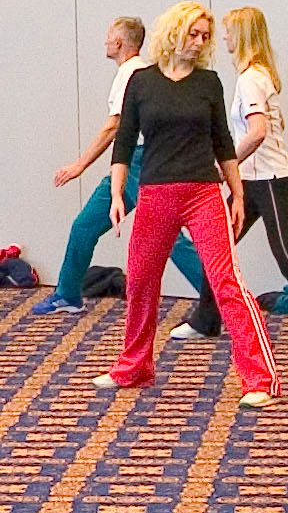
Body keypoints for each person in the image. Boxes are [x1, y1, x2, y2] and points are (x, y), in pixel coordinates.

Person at [97, 1, 280, 407]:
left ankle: (259, 378)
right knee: (141, 281)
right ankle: (134, 366)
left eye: (204, 37)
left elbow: (224, 144)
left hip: (202, 193)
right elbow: (124, 142)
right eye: (193, 34)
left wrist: (237, 193)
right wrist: (115, 193)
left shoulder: (208, 83)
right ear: (173, 33)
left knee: (226, 281)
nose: (199, 43)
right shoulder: (142, 83)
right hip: (155, 193)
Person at [175, 7, 288, 353]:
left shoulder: (250, 79)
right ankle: (205, 319)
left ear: (241, 35)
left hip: (270, 180)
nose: (222, 38)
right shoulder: (255, 75)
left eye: (227, 32)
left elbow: (257, 132)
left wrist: (225, 167)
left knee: (286, 256)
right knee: (218, 248)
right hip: (253, 178)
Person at [31, 16, 205, 317]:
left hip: (142, 161)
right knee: (84, 226)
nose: (105, 41)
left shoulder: (131, 74)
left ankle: (221, 300)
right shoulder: (137, 72)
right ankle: (68, 294)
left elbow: (114, 128)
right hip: (130, 163)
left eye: (108, 36)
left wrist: (80, 165)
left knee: (171, 237)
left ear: (120, 43)